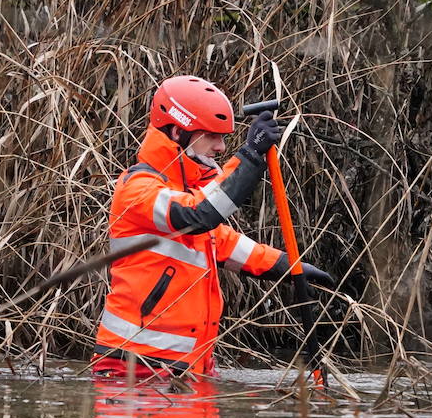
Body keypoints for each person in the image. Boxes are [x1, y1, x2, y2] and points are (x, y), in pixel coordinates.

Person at [92, 75, 333, 377]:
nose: (221, 147)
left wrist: (289, 267)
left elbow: (224, 242)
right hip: (133, 368)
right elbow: (199, 216)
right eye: (212, 136)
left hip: (185, 369)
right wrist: (249, 156)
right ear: (179, 131)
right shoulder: (138, 189)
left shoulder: (186, 189)